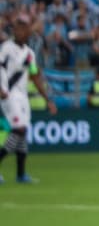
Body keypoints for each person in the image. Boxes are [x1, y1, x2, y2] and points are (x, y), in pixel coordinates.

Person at [0, 14, 58, 183]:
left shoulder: (29, 53)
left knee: (23, 135)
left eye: (25, 28)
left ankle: (21, 174)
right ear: (15, 30)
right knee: (20, 130)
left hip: (22, 96)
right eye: (19, 27)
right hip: (7, 94)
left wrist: (48, 100)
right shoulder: (5, 48)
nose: (22, 31)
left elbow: (35, 77)